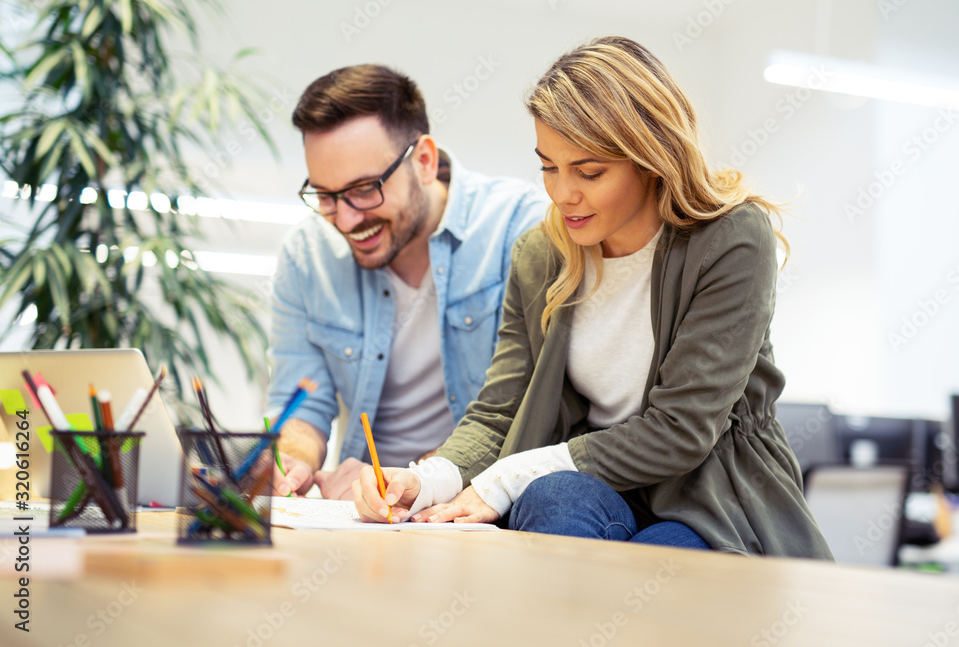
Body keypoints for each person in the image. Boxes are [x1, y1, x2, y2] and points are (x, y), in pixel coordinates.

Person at [353, 37, 834, 559]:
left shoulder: (731, 239)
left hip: (709, 494)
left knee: (660, 560)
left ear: (651, 158)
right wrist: (426, 481)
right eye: (548, 167)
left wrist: (509, 476)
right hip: (597, 484)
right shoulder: (540, 255)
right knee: (553, 497)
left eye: (589, 172)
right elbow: (501, 410)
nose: (562, 194)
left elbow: (681, 431)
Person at [268, 64, 547, 499]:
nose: (345, 218)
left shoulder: (519, 229)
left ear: (424, 162)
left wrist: (412, 482)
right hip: (363, 513)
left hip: (482, 504)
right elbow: (301, 401)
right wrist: (289, 465)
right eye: (325, 195)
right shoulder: (306, 258)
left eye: (364, 189)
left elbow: (529, 413)